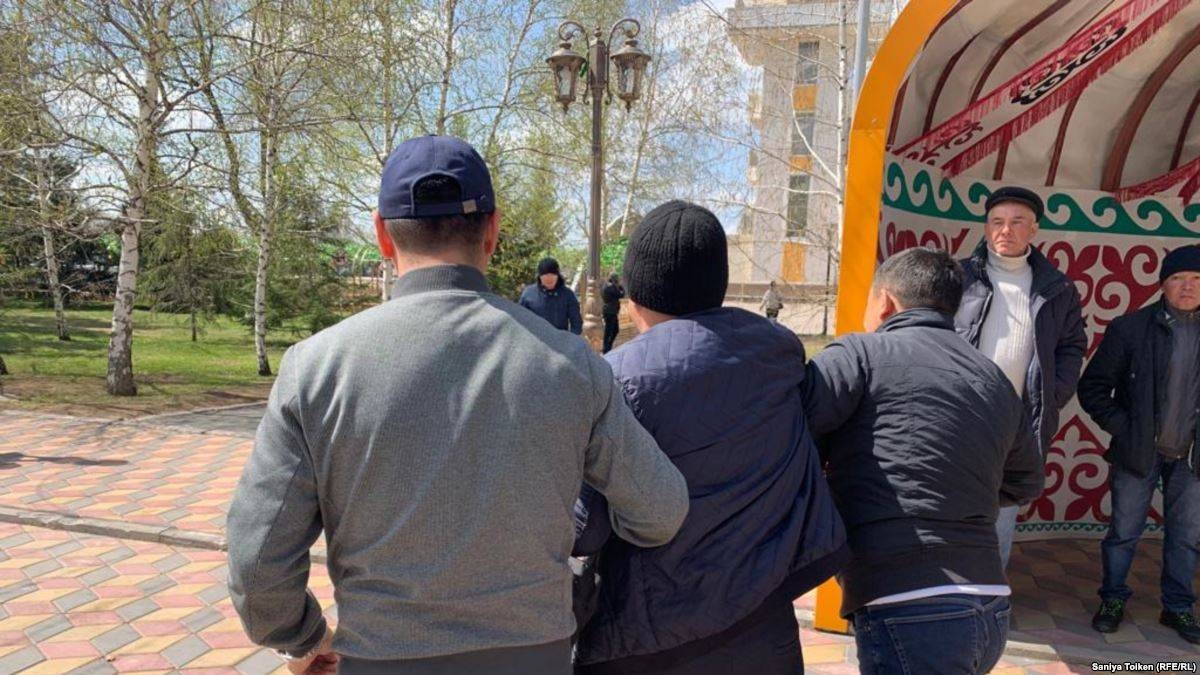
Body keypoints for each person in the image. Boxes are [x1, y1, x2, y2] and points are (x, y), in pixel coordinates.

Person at [225, 135, 690, 675]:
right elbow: (660, 512)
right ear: (492, 231)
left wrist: (303, 638)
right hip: (534, 658)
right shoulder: (571, 364)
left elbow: (257, 566)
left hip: (379, 657)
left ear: (382, 234)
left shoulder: (316, 367)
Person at [572, 201, 849, 675]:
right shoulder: (778, 357)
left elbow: (584, 527)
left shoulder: (613, 381)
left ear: (636, 294)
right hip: (764, 625)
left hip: (644, 640)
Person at [803, 247, 1043, 675]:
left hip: (909, 605)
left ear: (885, 302)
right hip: (990, 607)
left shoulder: (859, 354)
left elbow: (791, 434)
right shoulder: (992, 377)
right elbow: (1026, 481)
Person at [954, 186, 1086, 569]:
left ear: (1034, 229)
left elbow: (1072, 346)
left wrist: (1052, 395)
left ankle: (990, 593)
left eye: (1016, 222)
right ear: (986, 227)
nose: (1005, 230)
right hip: (958, 414)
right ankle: (948, 593)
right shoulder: (957, 277)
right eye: (996, 222)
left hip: (1018, 422)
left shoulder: (1057, 288)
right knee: (948, 508)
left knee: (1001, 517)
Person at [1078, 244, 1200, 644]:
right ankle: (1112, 599)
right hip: (1138, 452)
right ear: (1162, 284)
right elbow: (1093, 388)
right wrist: (1126, 429)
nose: (1188, 286)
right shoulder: (1129, 328)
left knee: (1186, 536)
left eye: (1197, 279)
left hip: (1193, 457)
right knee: (1123, 532)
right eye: (1178, 278)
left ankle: (1177, 606)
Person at [520, 257, 583, 334]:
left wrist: (571, 339)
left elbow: (576, 322)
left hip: (559, 338)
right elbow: (519, 319)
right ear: (539, 276)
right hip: (534, 338)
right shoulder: (528, 294)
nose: (549, 279)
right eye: (546, 276)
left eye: (552, 275)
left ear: (558, 275)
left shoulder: (568, 295)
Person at [601, 273, 625, 353]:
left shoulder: (606, 286)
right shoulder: (611, 287)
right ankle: (606, 349)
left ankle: (608, 347)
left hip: (610, 311)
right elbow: (621, 295)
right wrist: (621, 287)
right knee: (609, 331)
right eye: (617, 279)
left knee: (614, 330)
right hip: (610, 312)